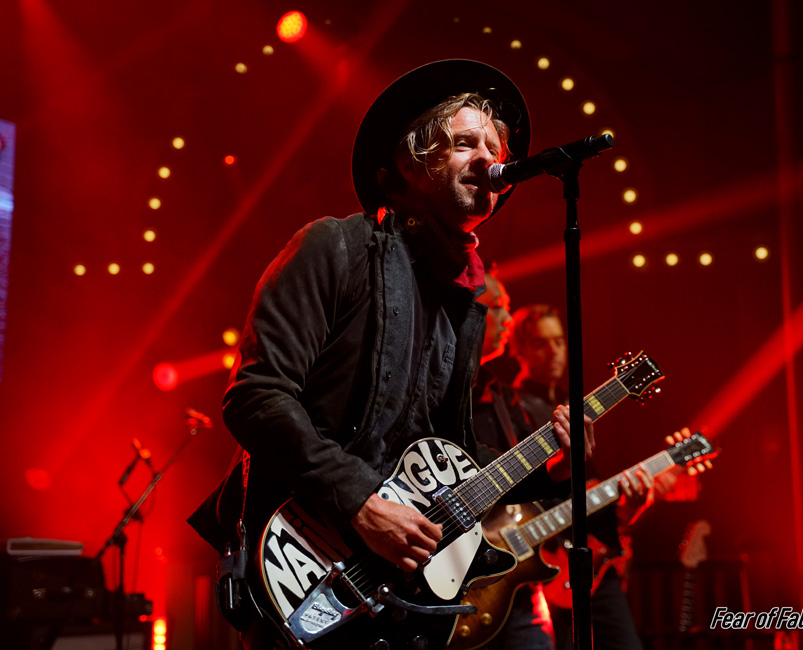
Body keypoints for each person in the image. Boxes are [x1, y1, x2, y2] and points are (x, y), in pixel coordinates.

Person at [188, 60, 595, 649]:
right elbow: (256, 396)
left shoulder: (466, 303)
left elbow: (444, 458)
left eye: (493, 145)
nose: (488, 158)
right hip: (311, 561)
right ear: (411, 164)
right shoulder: (333, 247)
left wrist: (547, 460)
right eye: (463, 143)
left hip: (402, 597)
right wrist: (359, 502)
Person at [507, 304, 674, 650]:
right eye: (540, 343)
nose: (553, 351)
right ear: (518, 350)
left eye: (558, 341)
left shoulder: (575, 406)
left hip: (593, 564)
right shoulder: (507, 406)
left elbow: (594, 498)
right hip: (541, 564)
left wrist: (633, 504)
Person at [470, 269, 557, 650]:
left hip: (518, 586)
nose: (508, 319)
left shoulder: (506, 399)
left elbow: (539, 487)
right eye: (498, 308)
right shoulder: (433, 393)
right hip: (457, 583)